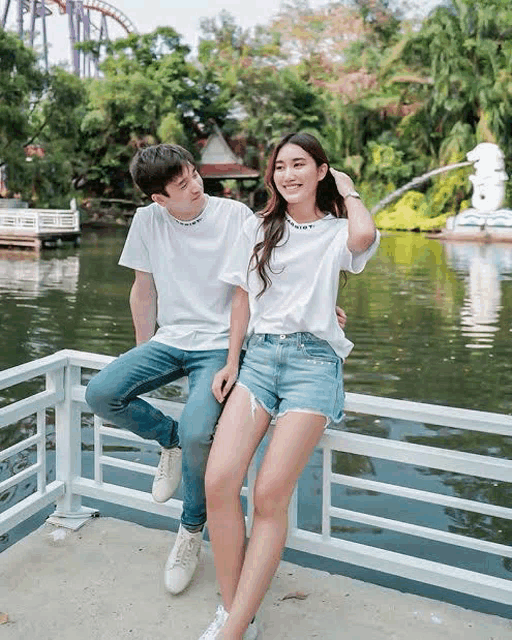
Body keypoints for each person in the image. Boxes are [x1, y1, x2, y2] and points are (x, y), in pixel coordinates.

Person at [85, 143, 348, 598]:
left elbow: (266, 276)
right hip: (169, 339)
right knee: (102, 393)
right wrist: (141, 354)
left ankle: (190, 529)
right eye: (182, 184)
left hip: (219, 344)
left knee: (198, 432)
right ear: (158, 199)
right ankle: (165, 439)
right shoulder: (147, 222)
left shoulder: (234, 217)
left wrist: (319, 306)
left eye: (192, 173)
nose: (194, 183)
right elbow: (142, 290)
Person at [199, 132, 379, 640]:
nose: (288, 174)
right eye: (280, 166)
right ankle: (239, 612)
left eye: (301, 164)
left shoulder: (337, 230)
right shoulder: (260, 226)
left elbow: (363, 239)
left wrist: (347, 187)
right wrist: (232, 361)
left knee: (269, 494)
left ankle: (231, 631)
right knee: (219, 481)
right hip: (258, 361)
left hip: (312, 365)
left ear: (321, 170)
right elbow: (241, 297)